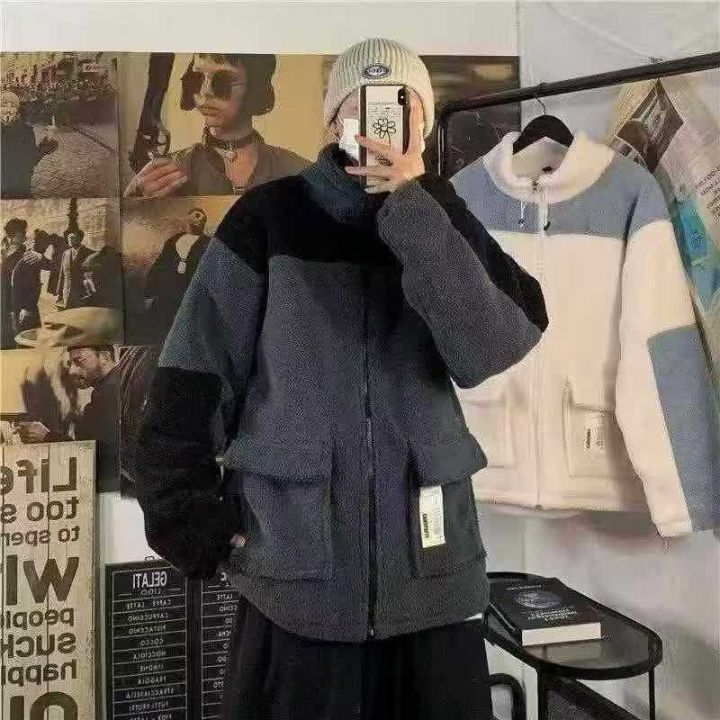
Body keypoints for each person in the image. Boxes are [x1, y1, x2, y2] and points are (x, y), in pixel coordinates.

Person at [135, 39, 548, 720]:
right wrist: (189, 518)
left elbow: (490, 348)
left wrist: (412, 205)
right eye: (364, 105)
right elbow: (191, 375)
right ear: (332, 121)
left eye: (401, 105)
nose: (381, 121)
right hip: (296, 581)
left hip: (432, 582)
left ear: (423, 121)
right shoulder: (269, 218)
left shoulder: (442, 217)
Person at [124, 53, 310, 198]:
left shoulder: (298, 173)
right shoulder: (167, 174)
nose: (205, 92)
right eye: (198, 78)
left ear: (254, 87)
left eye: (223, 80)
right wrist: (135, 199)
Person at [144, 207, 211, 340]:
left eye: (203, 219)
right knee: (165, 327)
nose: (200, 219)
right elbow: (160, 265)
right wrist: (149, 292)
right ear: (187, 217)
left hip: (191, 292)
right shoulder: (173, 241)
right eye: (197, 215)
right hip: (169, 292)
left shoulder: (208, 243)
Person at [1, 90, 58, 198]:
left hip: (19, 186)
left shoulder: (26, 130)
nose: (8, 110)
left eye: (13, 106)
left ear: (17, 109)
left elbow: (31, 160)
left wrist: (48, 140)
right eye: (3, 106)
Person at [10, 229, 54, 335]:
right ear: (38, 243)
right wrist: (25, 308)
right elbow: (21, 286)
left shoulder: (30, 255)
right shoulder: (32, 258)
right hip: (26, 307)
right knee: (29, 337)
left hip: (26, 305)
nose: (46, 248)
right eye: (45, 245)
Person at [1, 218, 28, 348]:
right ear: (11, 235)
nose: (24, 236)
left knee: (16, 339)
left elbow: (29, 284)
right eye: (21, 234)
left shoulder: (24, 255)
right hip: (3, 301)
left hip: (15, 304)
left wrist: (25, 307)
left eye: (24, 233)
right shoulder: (4, 252)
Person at [56, 229, 93, 309]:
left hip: (82, 294)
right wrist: (59, 291)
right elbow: (62, 274)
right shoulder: (66, 253)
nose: (69, 240)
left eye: (72, 238)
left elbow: (92, 277)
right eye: (69, 238)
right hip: (67, 293)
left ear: (80, 239)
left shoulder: (89, 253)